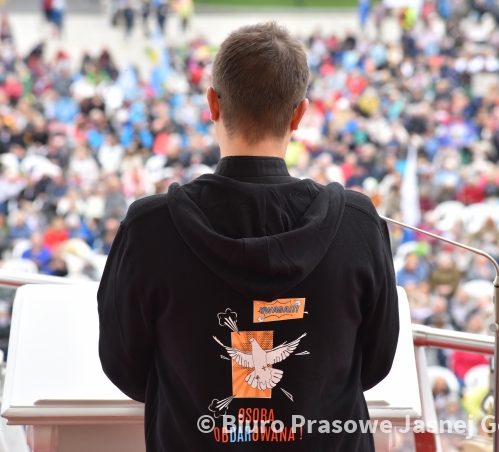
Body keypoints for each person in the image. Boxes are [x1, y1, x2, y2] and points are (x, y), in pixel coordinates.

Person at [98, 23, 399, 451]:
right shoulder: (358, 224)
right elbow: (375, 361)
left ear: (212, 104)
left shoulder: (149, 229)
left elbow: (124, 365)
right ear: (299, 114)